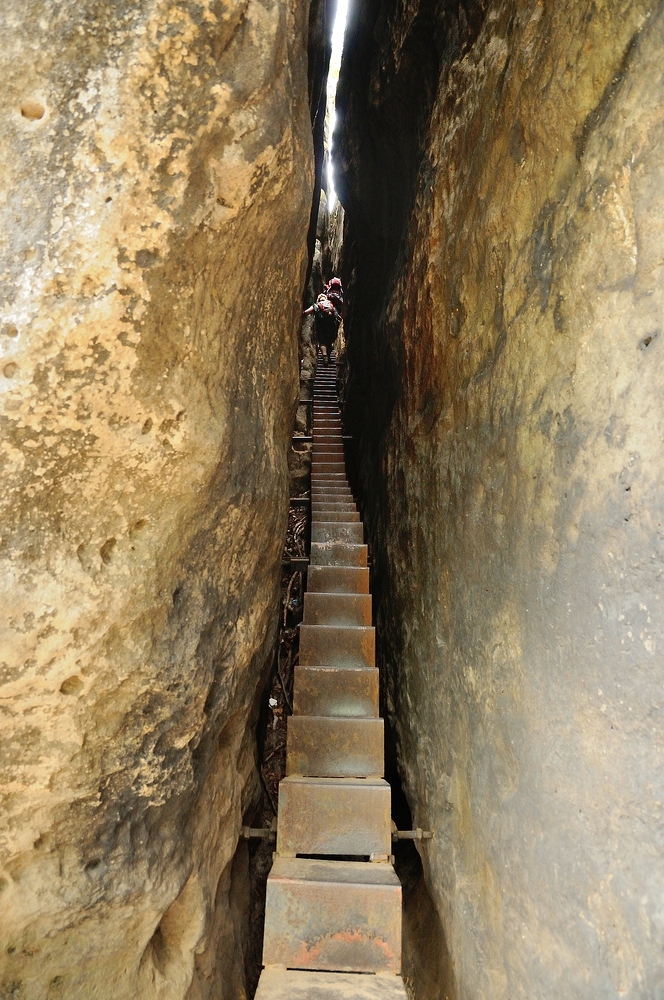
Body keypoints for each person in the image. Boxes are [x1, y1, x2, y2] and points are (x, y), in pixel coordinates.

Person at [304, 293, 340, 364]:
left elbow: (307, 312)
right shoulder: (331, 305)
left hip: (321, 326)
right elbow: (337, 316)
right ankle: (328, 357)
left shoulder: (317, 305)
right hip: (331, 326)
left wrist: (301, 314)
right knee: (329, 342)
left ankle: (324, 356)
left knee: (322, 342)